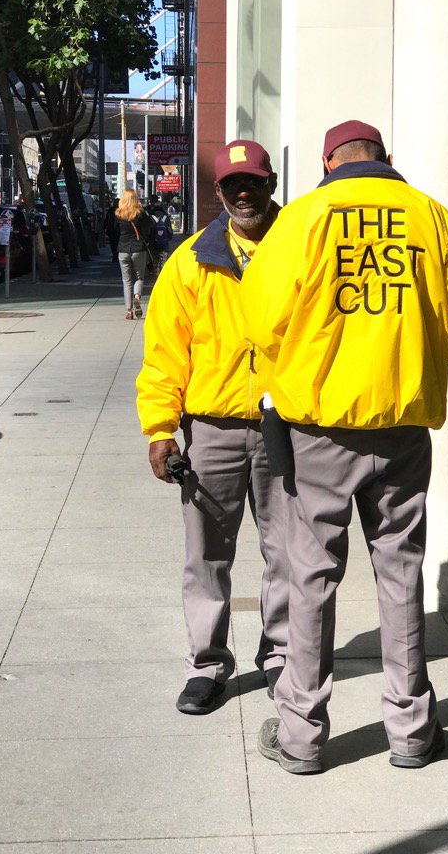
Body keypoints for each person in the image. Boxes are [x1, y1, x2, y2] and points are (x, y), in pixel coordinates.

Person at [241, 119, 448, 774]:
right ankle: (412, 730)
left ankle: (301, 736)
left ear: (329, 163)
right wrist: (413, 353)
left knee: (311, 577)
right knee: (401, 570)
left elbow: (258, 319)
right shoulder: (429, 216)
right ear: (387, 158)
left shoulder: (301, 220)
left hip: (318, 429)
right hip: (402, 426)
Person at [136, 139, 289, 715]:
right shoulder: (190, 261)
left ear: (271, 181)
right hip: (213, 430)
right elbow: (164, 354)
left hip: (288, 426)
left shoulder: (302, 246)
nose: (243, 192)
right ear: (219, 192)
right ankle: (207, 665)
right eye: (231, 185)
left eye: (252, 180)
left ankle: (280, 658)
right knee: (206, 555)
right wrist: (159, 429)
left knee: (290, 553)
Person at [116, 188, 153, 320]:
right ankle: (137, 296)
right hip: (138, 249)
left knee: (126, 281)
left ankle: (129, 310)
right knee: (139, 277)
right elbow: (148, 229)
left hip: (123, 249)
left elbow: (114, 232)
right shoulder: (141, 214)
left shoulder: (118, 214)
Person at [104, 198, 120, 262]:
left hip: (111, 230)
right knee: (117, 243)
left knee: (113, 244)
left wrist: (104, 227)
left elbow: (107, 219)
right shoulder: (121, 210)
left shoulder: (110, 210)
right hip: (118, 230)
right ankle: (116, 256)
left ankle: (114, 256)